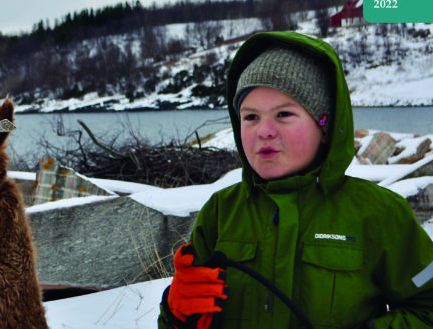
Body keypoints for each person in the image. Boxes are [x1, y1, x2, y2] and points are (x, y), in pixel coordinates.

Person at [158, 31, 433, 328]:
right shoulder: (220, 212)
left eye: (284, 114)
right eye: (251, 117)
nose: (264, 131)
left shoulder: (380, 213)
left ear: (324, 127)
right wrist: (176, 313)